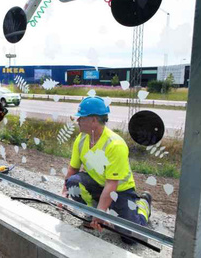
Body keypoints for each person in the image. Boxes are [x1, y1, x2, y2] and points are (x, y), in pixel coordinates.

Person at [61, 96, 151, 241]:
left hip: (120, 191)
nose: (77, 121)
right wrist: (64, 193)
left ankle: (143, 205)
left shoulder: (115, 144)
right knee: (72, 183)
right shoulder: (81, 139)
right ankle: (92, 215)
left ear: (93, 120)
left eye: (81, 118)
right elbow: (73, 168)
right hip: (98, 184)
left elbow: (112, 184)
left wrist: (101, 213)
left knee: (131, 237)